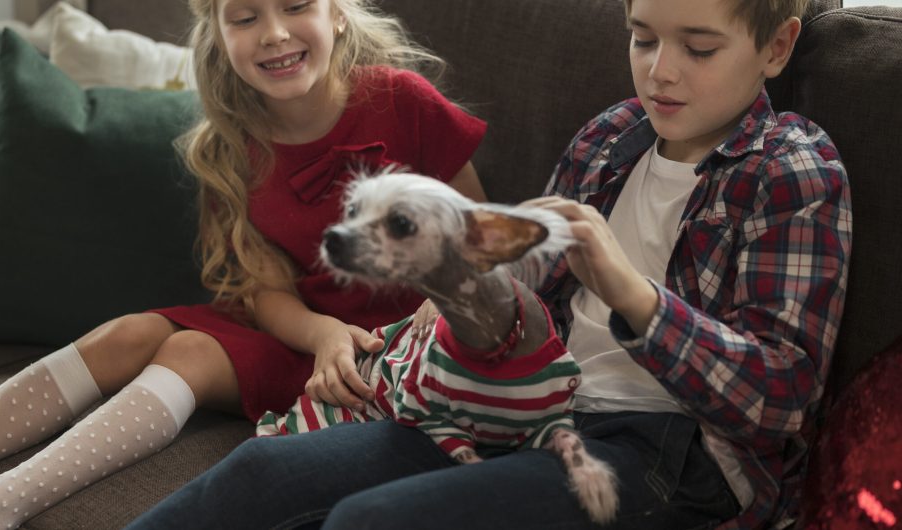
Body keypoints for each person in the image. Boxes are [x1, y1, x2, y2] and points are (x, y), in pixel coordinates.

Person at [126, 0, 852, 528]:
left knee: (373, 520)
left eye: (698, 48)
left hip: (671, 448)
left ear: (777, 46)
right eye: (641, 38)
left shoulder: (791, 170)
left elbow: (783, 398)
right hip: (530, 408)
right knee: (257, 473)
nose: (660, 72)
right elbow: (518, 282)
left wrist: (635, 296)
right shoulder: (611, 137)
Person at [0, 0, 487, 528]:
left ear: (335, 12)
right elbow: (260, 288)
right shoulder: (232, 143)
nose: (273, 32)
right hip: (304, 327)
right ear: (217, 29)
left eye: (296, 5)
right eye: (244, 16)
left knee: (188, 351)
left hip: (392, 347)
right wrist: (319, 333)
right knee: (125, 334)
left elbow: (480, 240)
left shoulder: (402, 100)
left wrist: (399, 329)